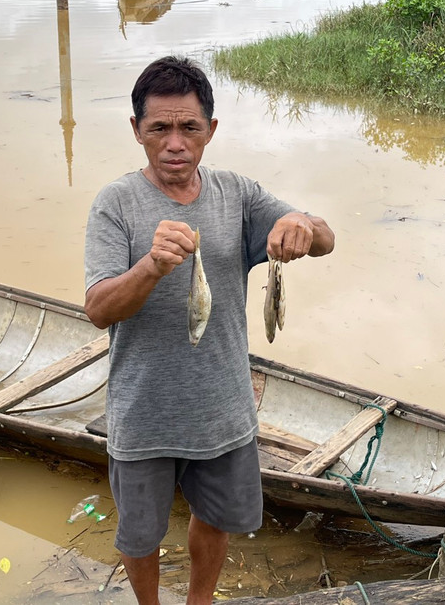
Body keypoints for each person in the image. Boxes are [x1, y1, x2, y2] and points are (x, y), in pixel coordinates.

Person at [83, 56, 335, 605]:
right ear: (137, 132)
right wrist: (150, 266)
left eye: (189, 127)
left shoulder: (238, 195)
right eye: (160, 129)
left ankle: (200, 601)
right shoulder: (115, 205)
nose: (175, 143)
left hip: (224, 407)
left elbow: (326, 238)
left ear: (211, 131)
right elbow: (99, 309)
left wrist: (303, 225)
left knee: (215, 519)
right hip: (143, 411)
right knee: (140, 535)